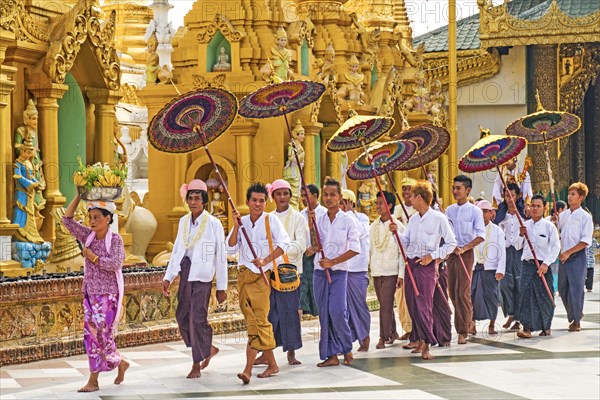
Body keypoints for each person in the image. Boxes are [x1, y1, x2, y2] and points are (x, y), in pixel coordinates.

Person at [62, 192, 129, 392]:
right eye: (90, 217)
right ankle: (118, 362)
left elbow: (116, 263)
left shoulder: (115, 240)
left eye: (96, 217)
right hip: (90, 293)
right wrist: (77, 196)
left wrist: (93, 257)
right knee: (91, 336)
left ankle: (95, 379)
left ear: (107, 219)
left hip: (108, 295)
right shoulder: (87, 236)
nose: (91, 221)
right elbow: (67, 220)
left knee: (101, 335)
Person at [162, 179, 227, 379]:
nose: (193, 202)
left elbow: (221, 255)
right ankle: (207, 347)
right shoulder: (183, 221)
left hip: (203, 276)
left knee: (196, 319)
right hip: (185, 273)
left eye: (197, 198)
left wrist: (221, 287)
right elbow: (177, 251)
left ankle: (196, 364)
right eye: (190, 198)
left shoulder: (214, 224)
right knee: (182, 316)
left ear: (204, 200)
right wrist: (168, 277)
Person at [227, 183, 290, 384]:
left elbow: (284, 244)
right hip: (244, 276)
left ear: (266, 202)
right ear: (247, 202)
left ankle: (247, 370)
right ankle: (272, 364)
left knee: (259, 322)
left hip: (262, 277)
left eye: (262, 200)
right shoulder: (242, 221)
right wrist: (236, 226)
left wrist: (265, 260)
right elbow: (229, 247)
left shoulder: (271, 220)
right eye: (254, 200)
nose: (258, 204)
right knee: (255, 322)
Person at [399, 180, 457, 360]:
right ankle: (420, 337)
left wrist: (433, 256)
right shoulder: (414, 219)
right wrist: (396, 233)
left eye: (412, 196)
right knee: (412, 303)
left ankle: (427, 343)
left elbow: (451, 243)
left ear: (419, 197)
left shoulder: (439, 218)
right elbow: (406, 241)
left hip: (427, 266)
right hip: (412, 264)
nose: (409, 200)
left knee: (424, 305)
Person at [258, 179, 307, 365]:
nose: (282, 197)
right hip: (270, 272)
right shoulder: (267, 218)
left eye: (285, 193)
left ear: (290, 195)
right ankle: (266, 353)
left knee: (290, 313)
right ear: (273, 196)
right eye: (278, 194)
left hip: (289, 273)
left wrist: (279, 250)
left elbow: (301, 245)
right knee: (269, 314)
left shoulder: (298, 219)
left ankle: (291, 352)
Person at [312, 177, 360, 367]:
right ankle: (331, 355)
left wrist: (333, 261)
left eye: (333, 195)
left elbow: (355, 248)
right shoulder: (319, 219)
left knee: (337, 310)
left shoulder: (348, 220)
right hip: (319, 272)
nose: (329, 198)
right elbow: (316, 245)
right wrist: (310, 225)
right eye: (326, 194)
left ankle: (346, 348)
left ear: (340, 197)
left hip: (339, 272)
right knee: (324, 313)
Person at [445, 175, 486, 344]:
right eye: (453, 188)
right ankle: (465, 323)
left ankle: (463, 330)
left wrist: (465, 248)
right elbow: (446, 232)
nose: (455, 191)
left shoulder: (475, 211)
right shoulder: (449, 210)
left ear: (467, 190)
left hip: (466, 254)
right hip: (452, 254)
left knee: (463, 292)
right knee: (453, 293)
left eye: (458, 188)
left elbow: (481, 235)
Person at [517, 195, 560, 338]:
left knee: (545, 297)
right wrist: (521, 234)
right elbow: (517, 245)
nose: (535, 208)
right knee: (525, 296)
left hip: (542, 266)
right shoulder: (524, 224)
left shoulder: (549, 227)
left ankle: (545, 326)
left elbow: (555, 247)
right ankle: (527, 328)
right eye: (533, 205)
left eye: (538, 206)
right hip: (527, 265)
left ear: (544, 208)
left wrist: (546, 264)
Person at [370, 191, 404, 349]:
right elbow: (370, 249)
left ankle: (382, 338)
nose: (377, 206)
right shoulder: (372, 227)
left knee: (385, 304)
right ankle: (393, 332)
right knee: (386, 304)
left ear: (390, 206)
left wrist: (401, 275)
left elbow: (402, 253)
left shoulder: (398, 227)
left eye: (381, 203)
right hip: (377, 271)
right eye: (377, 203)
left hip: (391, 271)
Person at [558, 182, 594, 332]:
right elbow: (559, 233)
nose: (569, 197)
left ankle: (576, 321)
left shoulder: (585, 217)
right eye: (569, 193)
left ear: (581, 197)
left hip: (577, 257)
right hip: (564, 256)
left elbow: (585, 241)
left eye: (573, 194)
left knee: (576, 288)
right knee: (562, 288)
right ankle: (575, 313)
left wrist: (569, 252)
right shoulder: (563, 215)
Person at [341, 189, 371, 352]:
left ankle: (365, 336)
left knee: (359, 305)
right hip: (341, 268)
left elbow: (359, 233)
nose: (341, 206)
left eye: (343, 202)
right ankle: (346, 340)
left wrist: (349, 213)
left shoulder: (362, 218)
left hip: (357, 269)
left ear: (351, 203)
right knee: (343, 307)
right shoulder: (337, 219)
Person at [471, 200, 505, 336]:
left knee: (492, 296)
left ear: (491, 213)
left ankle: (492, 324)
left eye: (485, 211)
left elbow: (502, 251)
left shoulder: (497, 231)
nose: (483, 214)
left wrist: (500, 270)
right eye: (480, 212)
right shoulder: (472, 230)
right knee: (472, 295)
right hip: (474, 267)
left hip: (491, 269)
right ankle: (472, 323)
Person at [497, 184, 527, 331]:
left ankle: (518, 318)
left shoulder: (523, 216)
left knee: (519, 285)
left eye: (512, 195)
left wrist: (521, 234)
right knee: (504, 284)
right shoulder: (500, 216)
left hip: (519, 253)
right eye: (507, 196)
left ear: (517, 196)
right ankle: (511, 313)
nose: (510, 199)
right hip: (505, 253)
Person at [392, 176, 417, 340]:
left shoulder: (418, 211)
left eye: (409, 189)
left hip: (415, 254)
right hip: (400, 254)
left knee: (414, 293)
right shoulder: (396, 211)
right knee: (400, 295)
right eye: (404, 189)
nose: (406, 192)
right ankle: (406, 328)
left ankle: (417, 328)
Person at [299, 184, 327, 316]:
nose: (303, 198)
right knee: (302, 289)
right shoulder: (300, 215)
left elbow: (327, 238)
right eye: (302, 195)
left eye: (306, 195)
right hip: (303, 257)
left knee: (317, 290)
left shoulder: (324, 214)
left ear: (315, 196)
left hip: (318, 258)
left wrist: (315, 248)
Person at [546, 200, 567, 294]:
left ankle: (556, 287)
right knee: (552, 268)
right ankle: (552, 288)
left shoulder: (563, 220)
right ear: (559, 209)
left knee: (557, 268)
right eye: (564, 209)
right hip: (549, 249)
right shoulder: (547, 220)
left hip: (560, 248)